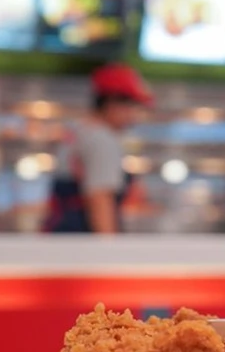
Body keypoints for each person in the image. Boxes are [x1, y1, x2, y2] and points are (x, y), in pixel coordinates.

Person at [44, 63, 152, 234]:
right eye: (133, 107)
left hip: (63, 239)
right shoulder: (101, 140)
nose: (135, 117)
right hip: (83, 245)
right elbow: (100, 199)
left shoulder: (79, 131)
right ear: (112, 103)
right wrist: (108, 254)